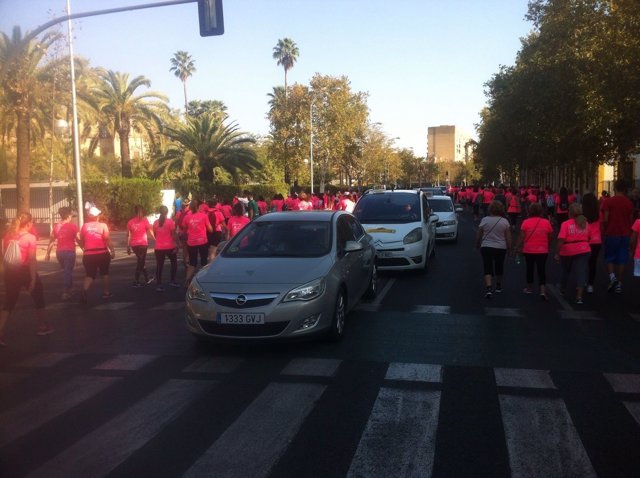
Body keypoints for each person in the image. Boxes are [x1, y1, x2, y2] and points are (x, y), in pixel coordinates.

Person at [0, 213, 53, 346]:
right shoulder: (30, 237)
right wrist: (33, 278)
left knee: (9, 302)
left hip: (11, 272)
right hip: (25, 271)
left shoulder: (7, 236)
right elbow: (31, 259)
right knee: (38, 297)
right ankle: (42, 326)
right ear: (29, 224)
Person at [514, 202, 553, 299]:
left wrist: (517, 247)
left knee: (530, 268)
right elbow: (550, 236)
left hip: (529, 249)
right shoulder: (546, 222)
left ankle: (529, 288)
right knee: (542, 269)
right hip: (542, 249)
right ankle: (543, 290)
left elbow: (521, 237)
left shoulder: (526, 222)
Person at [602, 179, 634, 293]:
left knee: (609, 257)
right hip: (625, 233)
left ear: (614, 188)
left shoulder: (608, 202)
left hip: (612, 233)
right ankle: (619, 283)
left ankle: (612, 278)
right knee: (622, 259)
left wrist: (605, 228)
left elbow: (605, 219)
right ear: (625, 189)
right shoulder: (629, 203)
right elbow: (631, 220)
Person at [555, 203, 591, 305]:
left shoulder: (565, 224)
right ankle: (579, 296)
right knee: (581, 272)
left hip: (568, 249)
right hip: (584, 249)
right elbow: (589, 237)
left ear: (569, 213)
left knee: (565, 270)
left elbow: (561, 240)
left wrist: (557, 253)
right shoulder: (586, 223)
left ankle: (562, 288)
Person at [78, 206, 115, 304]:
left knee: (90, 274)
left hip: (88, 254)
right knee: (105, 273)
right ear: (97, 216)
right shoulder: (103, 225)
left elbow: (81, 240)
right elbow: (107, 239)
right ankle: (106, 292)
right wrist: (112, 250)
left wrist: (84, 249)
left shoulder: (84, 226)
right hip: (102, 252)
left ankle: (84, 291)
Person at [476, 200, 512, 298]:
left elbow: (479, 234)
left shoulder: (485, 220)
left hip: (486, 246)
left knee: (487, 266)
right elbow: (508, 237)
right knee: (499, 266)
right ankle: (498, 286)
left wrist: (477, 244)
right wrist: (509, 248)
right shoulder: (504, 221)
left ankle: (488, 287)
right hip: (501, 247)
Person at [45, 207, 79, 300]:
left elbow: (51, 240)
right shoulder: (73, 226)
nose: (72, 216)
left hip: (59, 252)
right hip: (69, 252)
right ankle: (65, 292)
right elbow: (78, 239)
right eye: (71, 215)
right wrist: (84, 248)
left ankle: (71, 289)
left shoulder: (56, 226)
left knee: (67, 271)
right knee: (68, 272)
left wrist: (47, 253)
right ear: (68, 216)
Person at [183, 199, 213, 286]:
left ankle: (187, 279)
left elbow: (184, 230)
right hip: (202, 241)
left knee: (192, 263)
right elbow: (210, 229)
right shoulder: (204, 216)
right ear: (198, 207)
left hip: (191, 242)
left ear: (190, 207)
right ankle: (204, 279)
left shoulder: (187, 217)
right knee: (204, 261)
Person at [153, 205, 180, 291]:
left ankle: (159, 285)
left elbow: (155, 234)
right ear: (167, 212)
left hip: (158, 247)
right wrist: (178, 244)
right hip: (169, 246)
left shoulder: (155, 222)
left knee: (159, 266)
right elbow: (173, 234)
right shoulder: (170, 222)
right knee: (174, 263)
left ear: (160, 212)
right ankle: (172, 280)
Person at [126, 205, 155, 288]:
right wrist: (155, 239)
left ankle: (146, 278)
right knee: (140, 262)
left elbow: (128, 235)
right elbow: (150, 230)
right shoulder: (145, 220)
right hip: (143, 244)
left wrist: (128, 246)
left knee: (141, 261)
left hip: (134, 245)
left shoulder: (130, 222)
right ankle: (136, 281)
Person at [582, 192, 602, 294]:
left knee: (582, 262)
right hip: (596, 240)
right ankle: (590, 285)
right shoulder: (599, 213)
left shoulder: (581, 213)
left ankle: (583, 281)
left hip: (584, 239)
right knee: (593, 263)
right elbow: (602, 225)